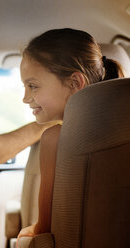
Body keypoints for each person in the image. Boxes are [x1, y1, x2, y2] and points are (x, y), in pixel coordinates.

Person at [16, 28, 124, 243]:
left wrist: (25, 234)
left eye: (32, 86)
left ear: (75, 83)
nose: (25, 98)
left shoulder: (53, 139)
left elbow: (44, 227)